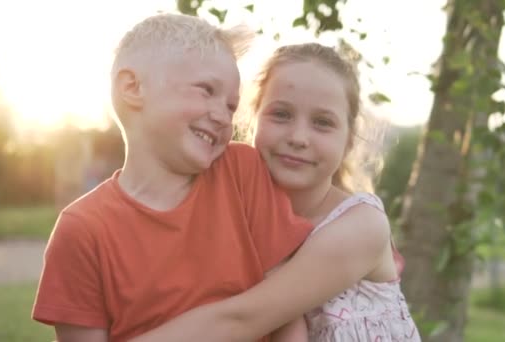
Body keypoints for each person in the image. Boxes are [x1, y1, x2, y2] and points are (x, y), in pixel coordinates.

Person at [32, 14, 312, 342]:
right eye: (207, 90)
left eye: (231, 106)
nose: (223, 116)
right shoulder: (81, 231)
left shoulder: (241, 172)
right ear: (132, 88)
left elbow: (285, 313)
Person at [130, 43, 420, 341]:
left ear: (348, 140)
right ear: (252, 119)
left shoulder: (362, 225)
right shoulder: (231, 208)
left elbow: (243, 318)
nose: (298, 137)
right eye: (281, 115)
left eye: (322, 123)